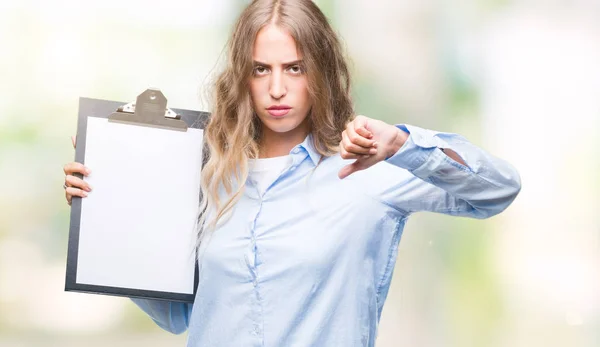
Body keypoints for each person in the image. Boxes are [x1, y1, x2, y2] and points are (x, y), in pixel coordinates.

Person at [62, 0, 521, 346]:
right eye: (261, 69)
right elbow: (175, 316)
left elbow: (497, 191)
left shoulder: (368, 165)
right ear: (242, 76)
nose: (276, 89)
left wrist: (402, 144)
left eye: (294, 68)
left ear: (319, 72)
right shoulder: (205, 175)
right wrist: (106, 213)